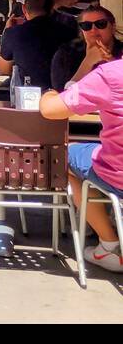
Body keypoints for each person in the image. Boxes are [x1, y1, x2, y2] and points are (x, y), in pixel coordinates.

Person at [40, 56, 123, 273]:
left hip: (118, 174)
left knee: (64, 155)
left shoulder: (111, 74)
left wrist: (49, 92)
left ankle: (109, 244)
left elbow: (50, 110)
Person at [0, 0, 76, 90]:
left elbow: (4, 70)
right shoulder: (69, 32)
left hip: (27, 93)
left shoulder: (14, 33)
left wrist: (6, 30)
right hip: (62, 93)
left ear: (24, 9)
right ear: (52, 7)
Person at [51, 5, 123, 91]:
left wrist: (112, 63)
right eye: (86, 25)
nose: (93, 29)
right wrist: (88, 62)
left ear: (113, 27)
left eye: (101, 24)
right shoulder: (66, 54)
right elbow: (61, 95)